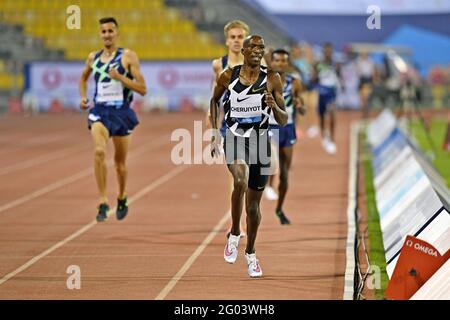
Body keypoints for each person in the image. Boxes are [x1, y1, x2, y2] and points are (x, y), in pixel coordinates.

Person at [210, 35, 288, 278]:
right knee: (240, 180)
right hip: (234, 137)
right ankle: (234, 233)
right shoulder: (228, 76)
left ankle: (251, 253)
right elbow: (214, 101)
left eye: (261, 47)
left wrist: (273, 106)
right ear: (243, 51)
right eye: (252, 47)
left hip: (260, 142)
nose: (257, 50)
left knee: (253, 208)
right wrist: (214, 133)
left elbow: (284, 120)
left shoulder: (272, 79)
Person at [79, 17, 147, 222]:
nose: (107, 35)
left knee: (119, 164)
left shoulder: (127, 56)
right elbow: (83, 78)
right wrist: (83, 97)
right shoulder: (93, 58)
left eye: (110, 31)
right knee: (99, 151)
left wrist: (121, 78)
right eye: (103, 32)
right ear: (100, 35)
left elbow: (142, 89)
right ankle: (102, 201)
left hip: (121, 113)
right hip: (100, 111)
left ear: (117, 33)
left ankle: (122, 195)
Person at [208, 20, 267, 237]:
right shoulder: (219, 65)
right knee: (237, 176)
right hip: (229, 124)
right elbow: (215, 95)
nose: (236, 40)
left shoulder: (260, 63)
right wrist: (213, 129)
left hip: (257, 126)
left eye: (240, 37)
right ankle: (237, 223)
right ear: (227, 40)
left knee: (252, 173)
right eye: (232, 37)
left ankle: (250, 208)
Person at [266, 49, 305, 224]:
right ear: (272, 62)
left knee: (285, 174)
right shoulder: (266, 81)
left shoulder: (294, 83)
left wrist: (299, 105)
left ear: (287, 63)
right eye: (277, 61)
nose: (280, 64)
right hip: (271, 126)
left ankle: (279, 209)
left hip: (287, 128)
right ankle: (267, 185)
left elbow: (302, 108)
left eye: (284, 61)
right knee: (272, 161)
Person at [312, 42, 341, 155]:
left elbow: (339, 76)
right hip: (322, 92)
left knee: (333, 113)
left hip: (331, 92)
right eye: (326, 51)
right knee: (322, 116)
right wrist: (315, 72)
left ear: (332, 52)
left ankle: (332, 137)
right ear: (323, 52)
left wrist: (338, 70)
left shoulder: (335, 63)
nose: (328, 53)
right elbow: (313, 79)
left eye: (330, 51)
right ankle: (324, 135)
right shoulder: (319, 64)